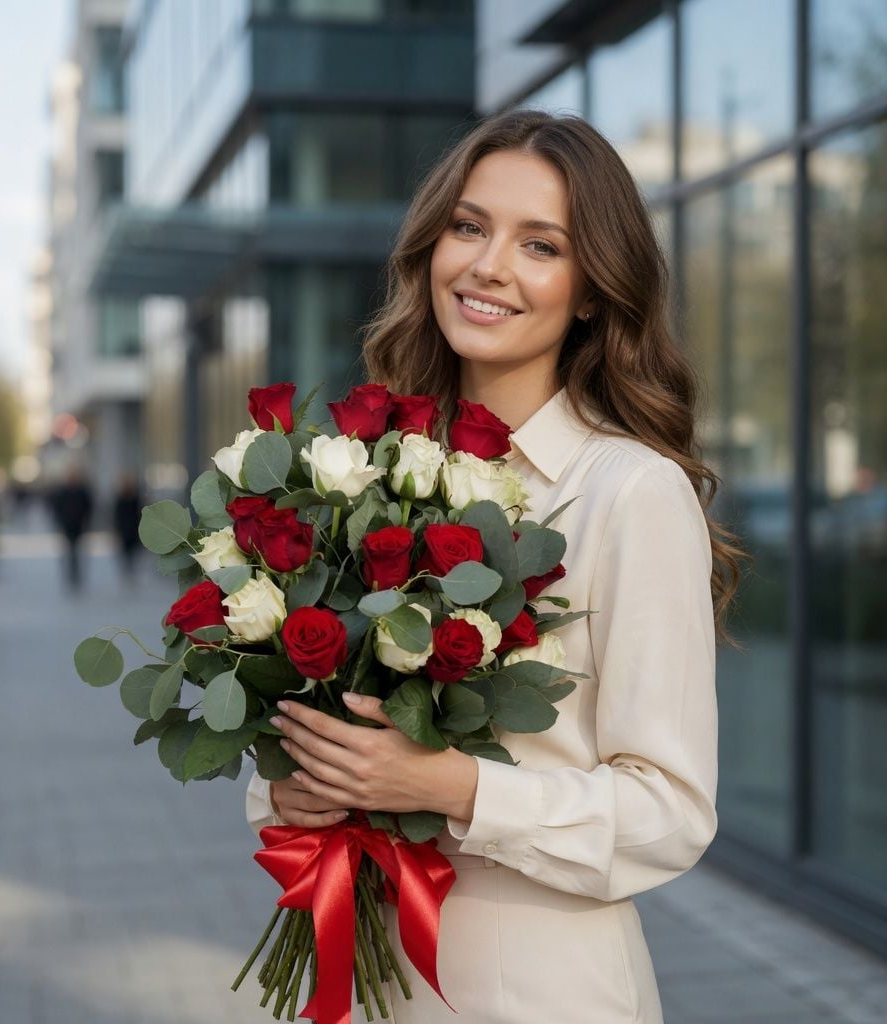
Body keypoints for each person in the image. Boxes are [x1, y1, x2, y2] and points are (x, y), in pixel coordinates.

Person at [246, 110, 743, 1023]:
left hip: (538, 993)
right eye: (468, 227)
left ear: (591, 291)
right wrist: (293, 783)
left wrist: (454, 789)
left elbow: (670, 813)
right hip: (372, 974)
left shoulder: (629, 491)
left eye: (540, 245)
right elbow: (323, 724)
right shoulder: (374, 472)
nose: (488, 265)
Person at [51, 464, 94, 591]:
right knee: (70, 551)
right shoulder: (62, 492)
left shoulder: (83, 491)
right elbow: (57, 509)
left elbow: (88, 507)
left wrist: (86, 521)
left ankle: (77, 574)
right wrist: (60, 523)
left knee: (78, 552)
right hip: (67, 526)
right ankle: (71, 574)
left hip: (79, 526)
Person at [112, 470, 143, 581]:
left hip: (134, 529)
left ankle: (131, 572)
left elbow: (139, 514)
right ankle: (127, 572)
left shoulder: (135, 498)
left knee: (133, 553)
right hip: (124, 530)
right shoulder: (120, 499)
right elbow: (117, 516)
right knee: (125, 553)